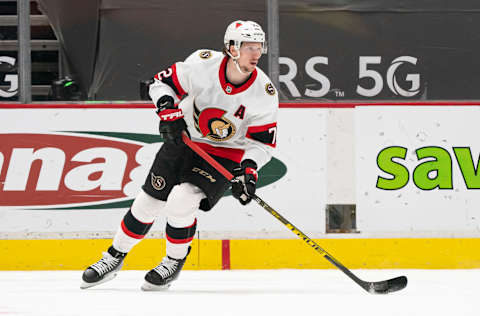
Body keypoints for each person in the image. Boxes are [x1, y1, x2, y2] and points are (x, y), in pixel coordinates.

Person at [80, 20, 279, 291]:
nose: (255, 54)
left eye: (259, 47)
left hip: (225, 153)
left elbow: (262, 144)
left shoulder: (264, 94)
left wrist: (249, 169)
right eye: (248, 47)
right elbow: (160, 84)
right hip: (183, 140)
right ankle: (113, 257)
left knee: (181, 200)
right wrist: (167, 111)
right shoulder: (202, 63)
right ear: (232, 48)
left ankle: (173, 261)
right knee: (147, 203)